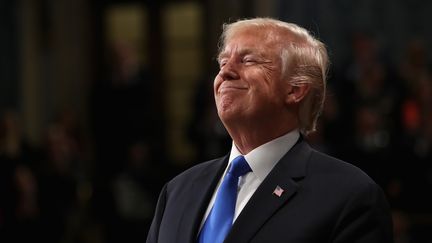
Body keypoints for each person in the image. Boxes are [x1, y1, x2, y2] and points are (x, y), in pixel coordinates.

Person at [146, 17, 394, 243]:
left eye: (248, 60)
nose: (225, 72)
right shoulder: (177, 191)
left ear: (295, 89)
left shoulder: (349, 196)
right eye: (223, 61)